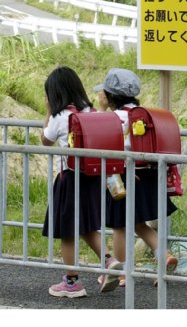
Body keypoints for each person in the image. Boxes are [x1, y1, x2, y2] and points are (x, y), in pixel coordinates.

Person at [41, 66, 122, 298]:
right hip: (93, 178)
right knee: (85, 226)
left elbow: (45, 140)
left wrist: (47, 111)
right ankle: (109, 261)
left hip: (69, 179)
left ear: (55, 94)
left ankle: (72, 282)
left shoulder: (59, 116)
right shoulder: (91, 111)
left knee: (67, 231)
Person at [94, 68, 178, 286]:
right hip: (149, 175)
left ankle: (121, 273)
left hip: (123, 177)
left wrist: (101, 109)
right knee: (140, 224)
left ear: (111, 96)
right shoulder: (146, 114)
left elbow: (98, 136)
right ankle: (165, 256)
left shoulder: (114, 117)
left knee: (120, 226)